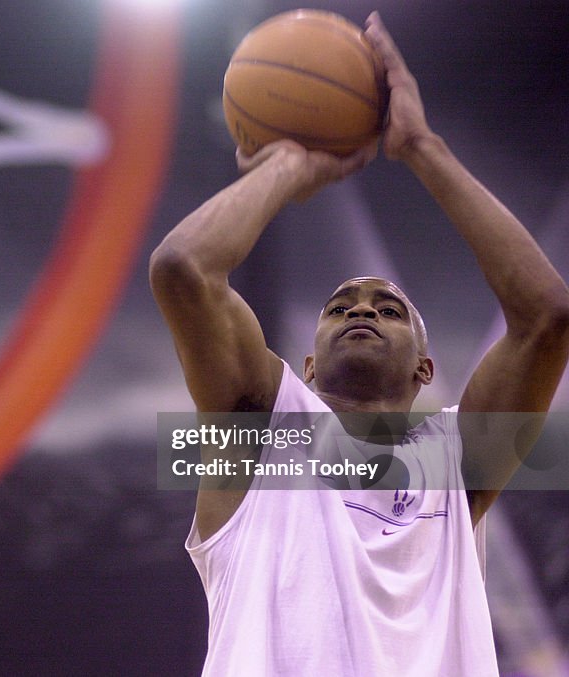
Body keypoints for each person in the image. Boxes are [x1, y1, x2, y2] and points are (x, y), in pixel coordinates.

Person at [149, 11, 569, 676]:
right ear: (307, 365)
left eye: (388, 308)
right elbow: (183, 269)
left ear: (425, 369)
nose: (361, 309)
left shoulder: (456, 464)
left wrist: (422, 147)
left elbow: (548, 315)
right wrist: (288, 163)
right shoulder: (265, 429)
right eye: (340, 305)